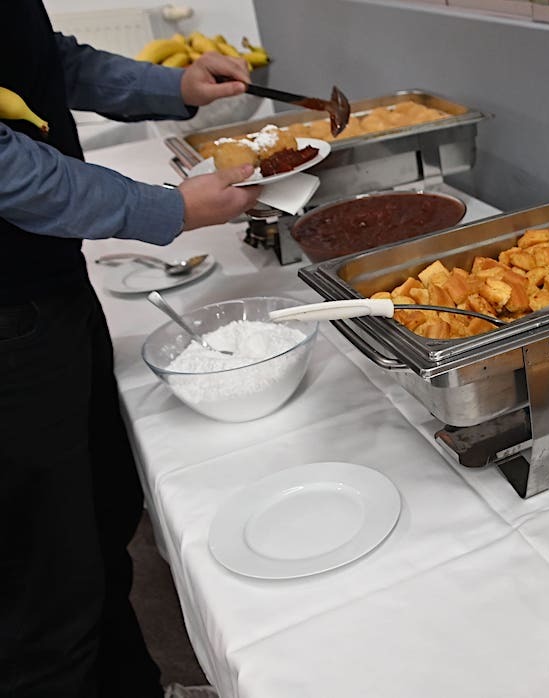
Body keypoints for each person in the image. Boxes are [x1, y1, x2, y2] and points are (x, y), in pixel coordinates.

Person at [0, 3, 261, 696]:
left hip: (48, 285)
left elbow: (41, 55)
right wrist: (169, 209)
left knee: (95, 527)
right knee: (43, 589)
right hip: (8, 319)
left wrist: (171, 86)